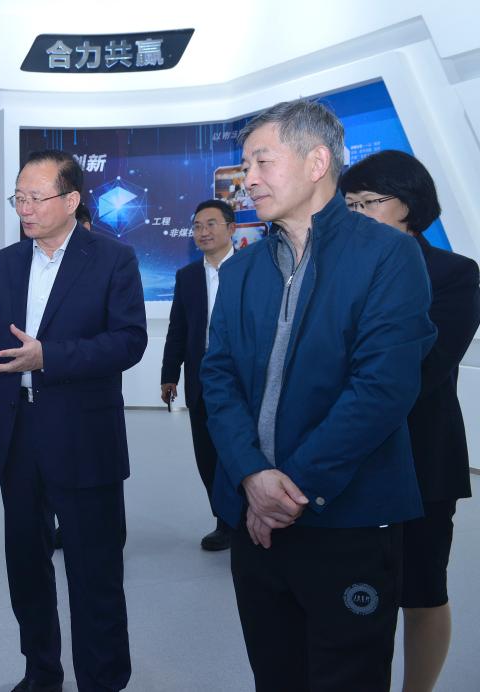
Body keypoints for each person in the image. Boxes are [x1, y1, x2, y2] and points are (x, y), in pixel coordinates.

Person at [200, 99, 436, 691]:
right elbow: (218, 378)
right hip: (254, 520)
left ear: (316, 162)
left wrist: (291, 487)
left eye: (262, 161)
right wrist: (252, 476)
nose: (248, 179)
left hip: (348, 516)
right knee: (275, 674)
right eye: (245, 165)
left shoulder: (389, 255)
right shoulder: (240, 271)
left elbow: (382, 389)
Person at [0, 149, 147, 692]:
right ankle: (41, 673)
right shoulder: (4, 263)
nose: (24, 209)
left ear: (71, 200)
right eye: (18, 198)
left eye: (35, 198)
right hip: (17, 436)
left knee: (94, 572)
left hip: (84, 435)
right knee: (27, 569)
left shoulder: (113, 259)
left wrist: (48, 356)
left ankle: (102, 680)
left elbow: (129, 341)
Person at [340, 149, 480, 692]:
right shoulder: (333, 272)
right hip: (344, 459)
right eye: (350, 204)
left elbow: (425, 366)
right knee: (354, 594)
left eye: (370, 202)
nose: (357, 214)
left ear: (409, 204)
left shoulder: (453, 274)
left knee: (422, 592)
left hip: (422, 456)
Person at [161, 199, 236, 551]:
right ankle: (224, 521)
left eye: (210, 224)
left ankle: (249, 516)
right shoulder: (187, 276)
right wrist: (169, 375)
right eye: (197, 226)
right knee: (207, 454)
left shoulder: (252, 267)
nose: (203, 232)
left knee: (239, 449)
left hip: (243, 379)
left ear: (231, 228)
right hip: (201, 378)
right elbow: (178, 329)